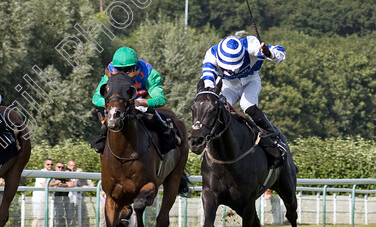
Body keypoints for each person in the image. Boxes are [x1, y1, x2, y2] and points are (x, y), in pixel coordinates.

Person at [201, 34, 288, 166]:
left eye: (234, 65)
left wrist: (269, 54)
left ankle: (273, 137)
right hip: (228, 86)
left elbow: (281, 53)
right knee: (219, 109)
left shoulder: (251, 45)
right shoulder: (211, 54)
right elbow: (208, 81)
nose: (231, 69)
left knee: (247, 105)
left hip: (251, 81)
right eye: (228, 65)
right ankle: (213, 146)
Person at [91, 47, 180, 155]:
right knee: (105, 119)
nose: (123, 72)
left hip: (141, 99)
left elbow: (161, 99)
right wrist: (109, 104)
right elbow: (96, 98)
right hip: (119, 103)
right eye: (119, 69)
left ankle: (168, 139)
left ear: (135, 66)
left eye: (128, 69)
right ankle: (102, 140)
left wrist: (140, 103)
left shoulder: (148, 72)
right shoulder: (110, 70)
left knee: (152, 118)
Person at [49, 161, 74, 227]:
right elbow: (48, 184)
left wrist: (60, 184)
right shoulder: (53, 175)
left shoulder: (65, 176)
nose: (61, 169)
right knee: (55, 217)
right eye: (59, 167)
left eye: (62, 167)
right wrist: (57, 184)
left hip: (65, 199)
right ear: (56, 167)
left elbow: (71, 184)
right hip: (54, 200)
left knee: (66, 217)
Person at [31, 159, 53, 227]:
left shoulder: (52, 173)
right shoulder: (42, 172)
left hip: (46, 200)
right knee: (37, 218)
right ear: (45, 165)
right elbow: (44, 184)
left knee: (41, 218)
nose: (50, 166)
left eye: (51, 164)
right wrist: (55, 184)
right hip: (39, 199)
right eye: (48, 164)